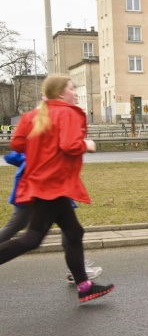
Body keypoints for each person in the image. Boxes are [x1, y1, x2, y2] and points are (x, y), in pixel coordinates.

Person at [0, 75, 114, 303]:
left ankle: (84, 286)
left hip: (45, 183)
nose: (74, 92)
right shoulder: (67, 113)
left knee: (74, 233)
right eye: (72, 88)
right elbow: (69, 145)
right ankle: (83, 285)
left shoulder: (33, 115)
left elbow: (18, 144)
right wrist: (87, 145)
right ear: (61, 93)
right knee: (32, 239)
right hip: (53, 184)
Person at [0, 151, 103, 284]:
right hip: (38, 186)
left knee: (69, 229)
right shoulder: (42, 132)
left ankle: (77, 271)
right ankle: (77, 272)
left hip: (51, 183)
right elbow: (13, 155)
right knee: (23, 230)